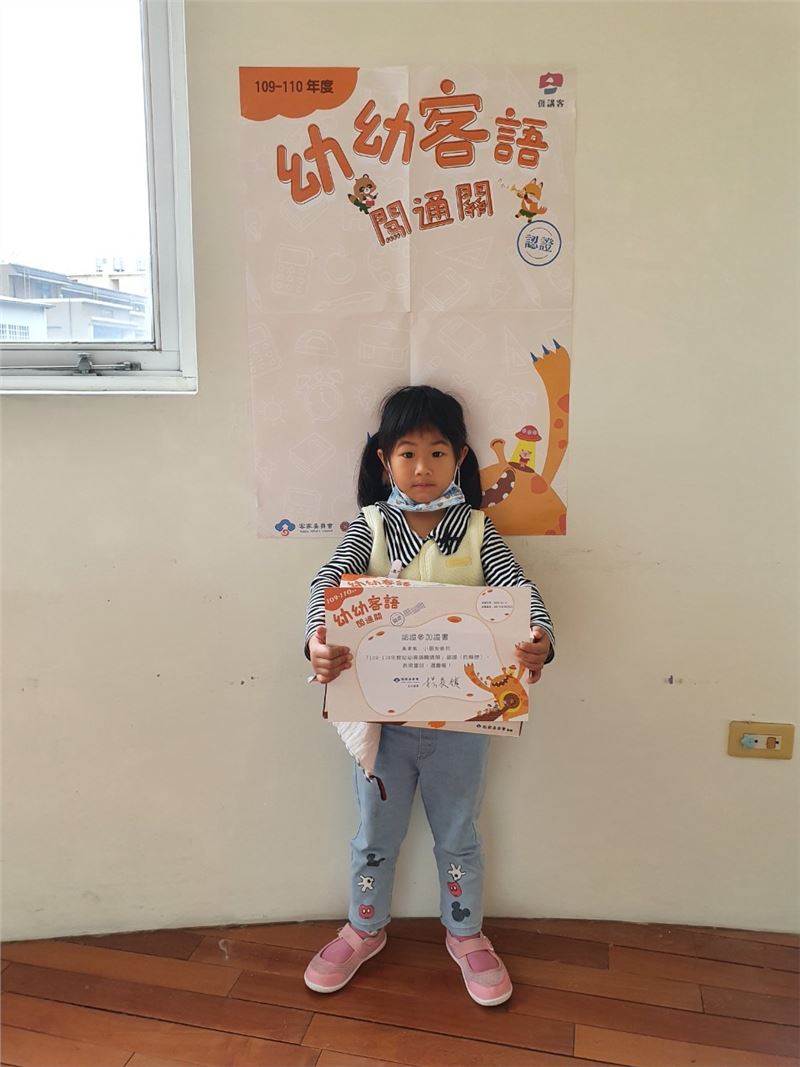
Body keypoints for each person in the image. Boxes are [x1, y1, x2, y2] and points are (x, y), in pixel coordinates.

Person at [302, 385, 555, 1006]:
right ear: (384, 459)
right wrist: (316, 641)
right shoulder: (369, 528)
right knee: (373, 834)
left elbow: (520, 594)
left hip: (464, 725)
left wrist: (539, 641)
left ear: (460, 458)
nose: (422, 467)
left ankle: (465, 933)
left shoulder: (477, 531)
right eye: (408, 453)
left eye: (438, 452)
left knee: (459, 833)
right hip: (379, 728)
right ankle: (364, 927)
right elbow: (327, 586)